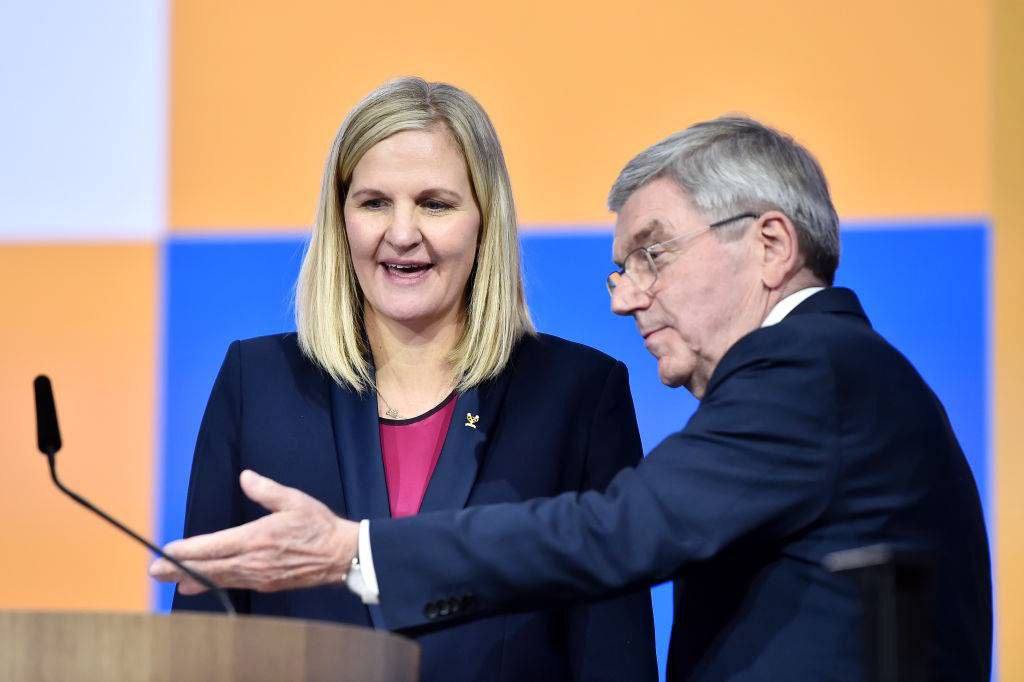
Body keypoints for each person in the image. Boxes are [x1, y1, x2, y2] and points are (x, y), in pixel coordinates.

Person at [153, 115, 992, 680]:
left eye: (652, 255)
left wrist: (354, 551)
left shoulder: (811, 374)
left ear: (770, 244)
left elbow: (616, 531)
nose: (626, 297)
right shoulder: (829, 375)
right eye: (621, 267)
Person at [165, 77, 657, 682]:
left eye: (435, 204)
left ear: (484, 219)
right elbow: (203, 644)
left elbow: (614, 655)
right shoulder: (258, 383)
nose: (401, 233)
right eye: (374, 203)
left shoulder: (576, 394)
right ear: (341, 219)